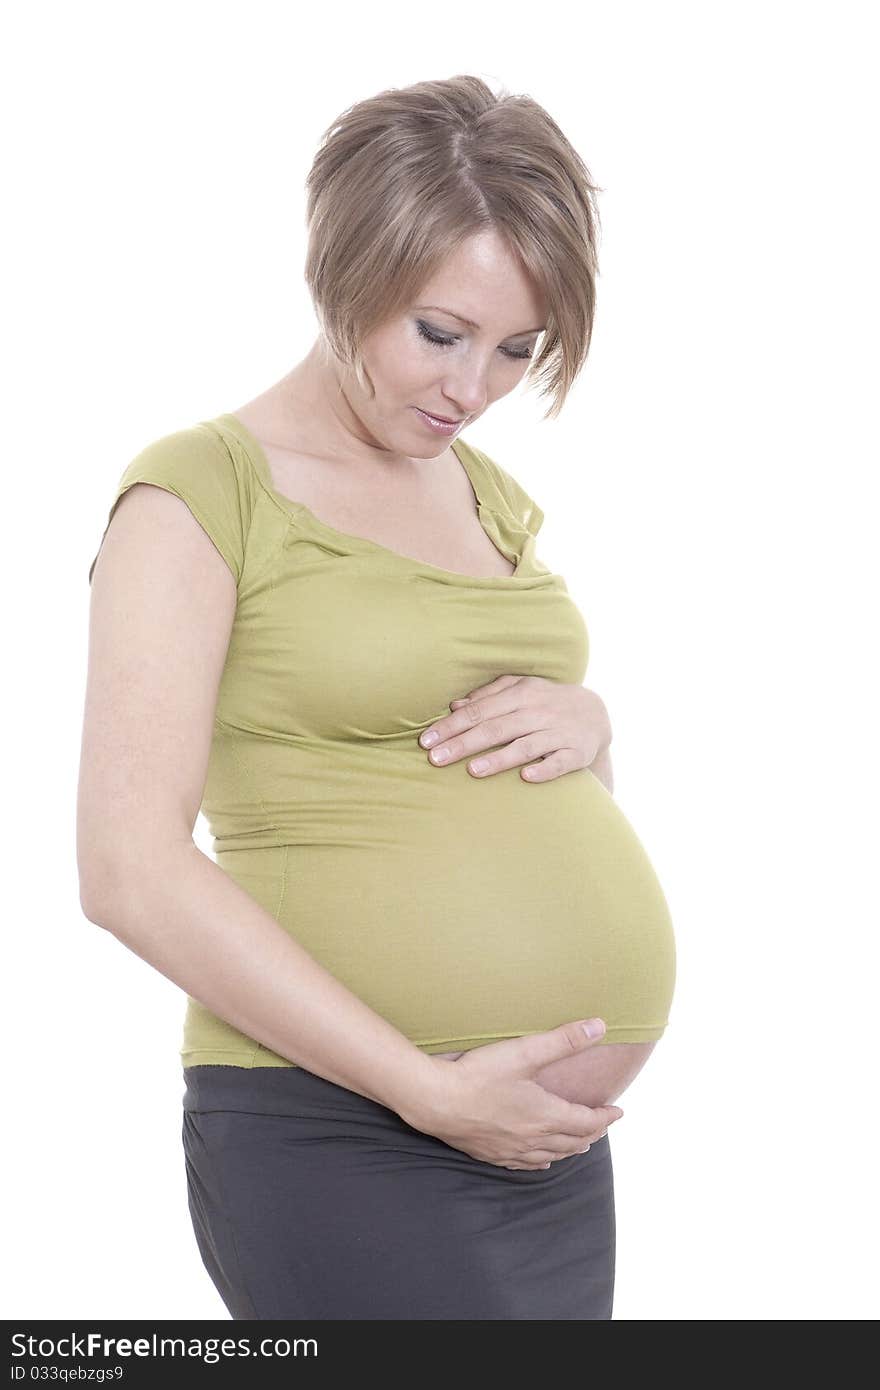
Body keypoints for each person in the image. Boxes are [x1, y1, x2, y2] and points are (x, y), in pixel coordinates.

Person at [78, 73, 676, 1321]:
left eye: (519, 349)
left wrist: (591, 725)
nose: (473, 387)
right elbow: (126, 868)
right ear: (343, 274)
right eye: (439, 333)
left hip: (542, 1146)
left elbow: (491, 780)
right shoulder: (199, 493)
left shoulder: (485, 494)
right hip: (340, 1125)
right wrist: (425, 1087)